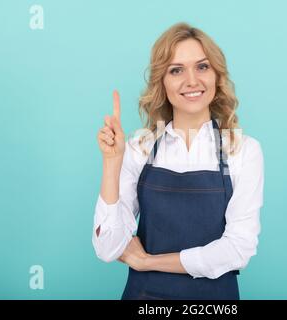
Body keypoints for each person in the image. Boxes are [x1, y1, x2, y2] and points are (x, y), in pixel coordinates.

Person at [93, 22, 264, 300]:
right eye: (176, 70)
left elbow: (237, 250)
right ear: (162, 81)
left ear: (217, 76)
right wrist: (112, 163)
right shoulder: (140, 148)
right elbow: (107, 247)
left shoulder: (243, 150)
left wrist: (149, 262)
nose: (192, 81)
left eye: (202, 67)